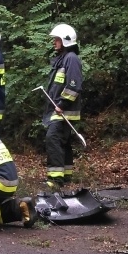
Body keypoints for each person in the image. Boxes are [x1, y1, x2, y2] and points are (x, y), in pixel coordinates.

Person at [43, 24, 83, 189]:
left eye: (57, 39)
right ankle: (66, 176)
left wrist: (62, 104)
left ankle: (56, 179)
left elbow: (74, 85)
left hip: (63, 110)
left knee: (53, 139)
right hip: (59, 109)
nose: (54, 42)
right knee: (63, 143)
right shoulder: (62, 59)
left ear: (65, 40)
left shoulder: (71, 58)